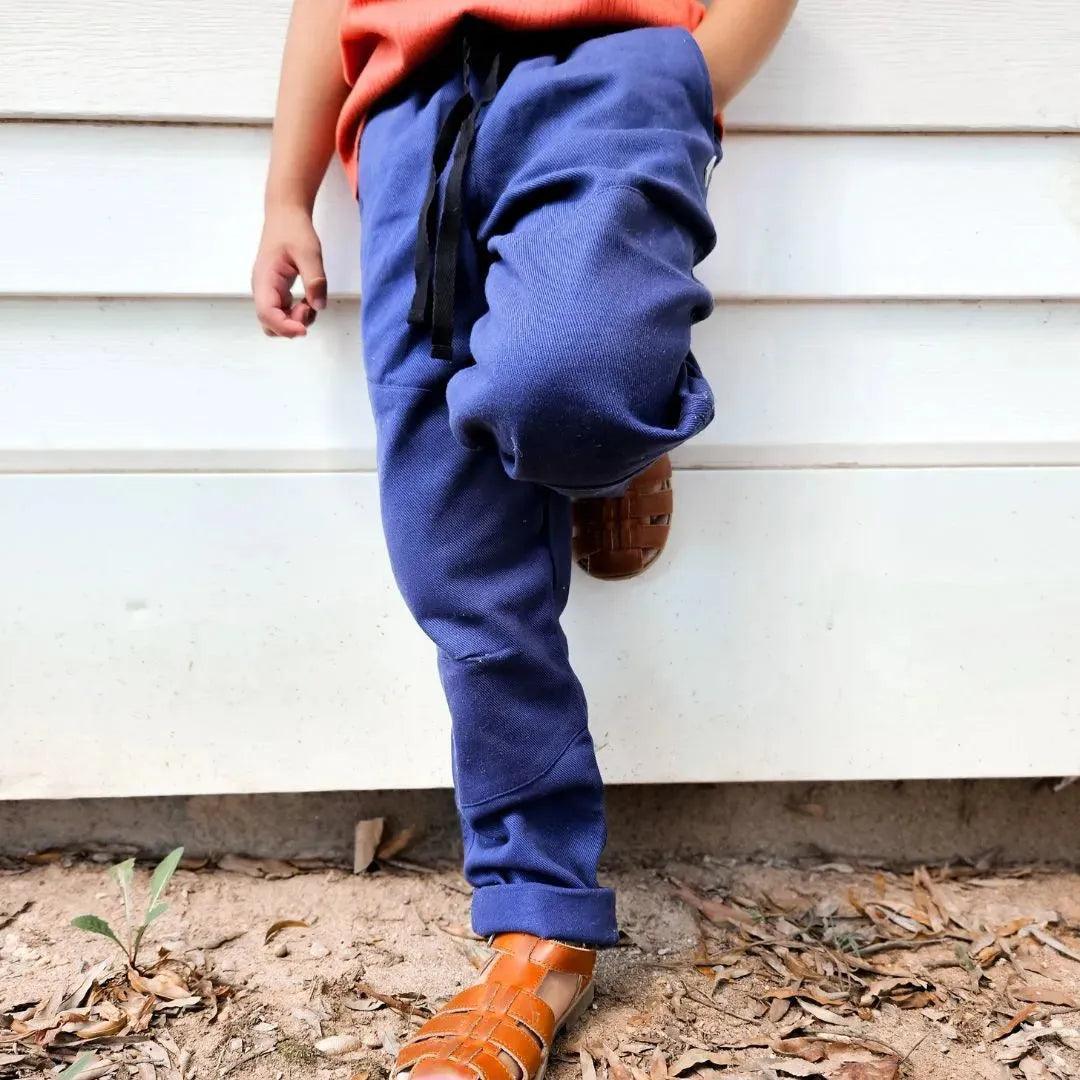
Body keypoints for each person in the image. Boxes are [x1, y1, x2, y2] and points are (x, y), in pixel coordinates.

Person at [252, 1, 795, 1076]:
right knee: (453, 558)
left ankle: (606, 426)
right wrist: (285, 192)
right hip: (407, 119)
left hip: (608, 70)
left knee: (575, 381)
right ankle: (536, 919)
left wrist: (683, 72)